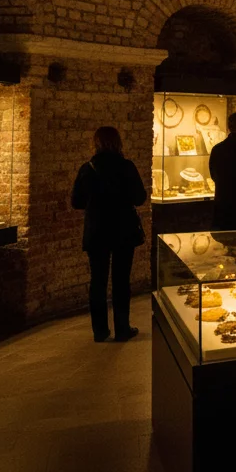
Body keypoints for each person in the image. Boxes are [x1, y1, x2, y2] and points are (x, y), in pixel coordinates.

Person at [71, 126, 146, 343]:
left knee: (98, 281)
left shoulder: (88, 168)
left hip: (97, 230)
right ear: (118, 142)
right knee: (121, 280)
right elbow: (139, 197)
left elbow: (76, 202)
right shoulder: (127, 166)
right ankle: (122, 329)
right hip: (123, 229)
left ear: (96, 143)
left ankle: (100, 331)